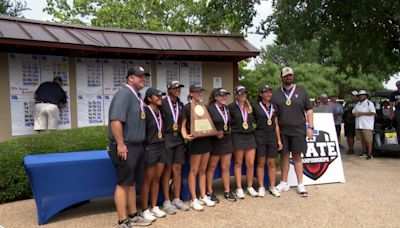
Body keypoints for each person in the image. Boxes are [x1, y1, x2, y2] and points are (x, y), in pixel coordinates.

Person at [107, 66, 152, 228]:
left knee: (132, 183)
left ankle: (133, 215)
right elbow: (116, 121)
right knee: (123, 183)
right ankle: (122, 220)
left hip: (137, 146)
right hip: (125, 146)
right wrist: (120, 144)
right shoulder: (124, 94)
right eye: (139, 76)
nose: (143, 79)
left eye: (144, 77)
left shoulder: (137, 96)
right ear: (130, 79)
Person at [271, 66, 313, 197]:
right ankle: (284, 182)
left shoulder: (301, 91)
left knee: (297, 156)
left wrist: (310, 128)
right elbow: (275, 116)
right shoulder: (276, 93)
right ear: (281, 77)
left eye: (290, 75)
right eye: (286, 75)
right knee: (284, 155)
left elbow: (309, 110)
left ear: (293, 76)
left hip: (298, 129)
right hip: (283, 131)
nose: (288, 77)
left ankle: (300, 184)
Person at [181, 84, 215, 211]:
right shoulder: (186, 108)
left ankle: (203, 196)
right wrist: (185, 136)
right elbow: (183, 126)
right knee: (194, 170)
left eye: (200, 92)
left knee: (203, 170)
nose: (198, 94)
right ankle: (194, 199)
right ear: (190, 93)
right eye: (196, 92)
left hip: (206, 140)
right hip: (195, 142)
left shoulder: (204, 107)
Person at [160, 81, 189, 214]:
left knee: (178, 169)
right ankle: (166, 200)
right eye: (175, 88)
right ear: (169, 89)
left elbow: (183, 123)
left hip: (179, 139)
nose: (177, 90)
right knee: (167, 170)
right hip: (167, 138)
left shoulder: (181, 104)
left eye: (179, 88)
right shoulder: (162, 103)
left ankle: (177, 198)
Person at [140, 88, 167, 222]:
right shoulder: (145, 111)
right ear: (149, 98)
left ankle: (154, 206)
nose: (160, 98)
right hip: (150, 148)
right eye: (157, 96)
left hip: (161, 146)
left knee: (157, 179)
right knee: (147, 180)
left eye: (161, 95)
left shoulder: (160, 111)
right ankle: (145, 209)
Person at [206, 88, 236, 202]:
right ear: (215, 97)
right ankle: (209, 192)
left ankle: (227, 191)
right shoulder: (210, 109)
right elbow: (204, 125)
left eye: (225, 95)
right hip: (215, 141)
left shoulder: (227, 109)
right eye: (221, 95)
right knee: (212, 167)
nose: (224, 97)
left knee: (226, 167)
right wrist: (215, 133)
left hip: (227, 140)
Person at [252, 85, 283, 197]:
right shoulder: (255, 107)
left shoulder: (274, 106)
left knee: (271, 163)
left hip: (272, 137)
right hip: (260, 136)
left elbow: (276, 124)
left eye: (270, 92)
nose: (268, 94)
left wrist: (279, 140)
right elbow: (252, 122)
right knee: (261, 163)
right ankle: (261, 187)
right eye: (265, 92)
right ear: (261, 94)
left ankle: (272, 186)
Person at [228, 85, 258, 199]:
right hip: (238, 136)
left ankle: (250, 186)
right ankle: (239, 188)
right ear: (236, 94)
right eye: (240, 93)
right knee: (238, 163)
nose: (243, 95)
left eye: (244, 93)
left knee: (250, 163)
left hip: (250, 136)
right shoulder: (231, 107)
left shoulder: (249, 107)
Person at [352, 90, 376, 160]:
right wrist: (355, 114)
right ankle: (364, 151)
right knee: (362, 139)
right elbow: (353, 112)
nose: (361, 97)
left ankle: (369, 153)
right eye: (359, 96)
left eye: (362, 95)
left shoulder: (369, 103)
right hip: (359, 124)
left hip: (367, 125)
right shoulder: (357, 104)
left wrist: (362, 113)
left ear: (366, 96)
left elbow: (373, 112)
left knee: (368, 140)